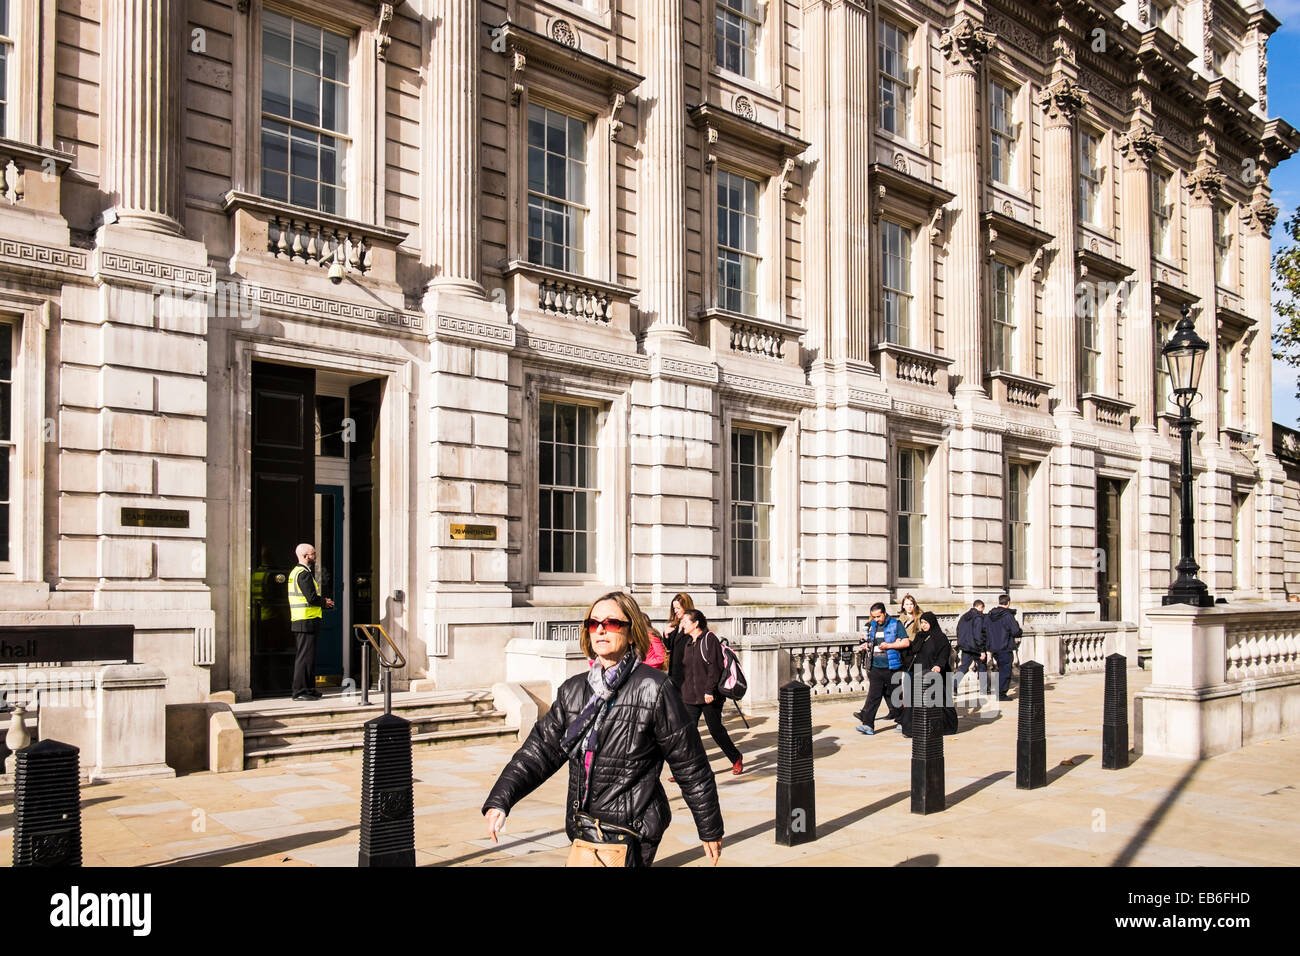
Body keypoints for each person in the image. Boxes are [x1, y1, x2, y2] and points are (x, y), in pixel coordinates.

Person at [482, 591, 723, 867]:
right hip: (584, 826)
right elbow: (540, 750)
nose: (600, 630)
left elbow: (690, 764)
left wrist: (709, 827)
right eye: (593, 624)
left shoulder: (654, 688)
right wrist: (502, 798)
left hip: (631, 828)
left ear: (632, 632)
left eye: (611, 623)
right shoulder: (573, 690)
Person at [679, 609, 744, 775]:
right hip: (690, 695)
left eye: (686, 622)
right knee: (688, 732)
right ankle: (689, 769)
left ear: (696, 624)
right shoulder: (688, 643)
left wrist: (709, 691)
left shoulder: (709, 639)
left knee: (716, 730)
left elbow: (714, 668)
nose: (683, 625)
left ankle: (735, 757)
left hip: (709, 695)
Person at [853, 601, 910, 735]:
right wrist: (866, 645)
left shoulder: (896, 624)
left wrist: (889, 646)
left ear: (884, 613)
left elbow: (906, 642)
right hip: (875, 666)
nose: (876, 619)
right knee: (873, 697)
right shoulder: (871, 626)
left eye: (878, 616)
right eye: (874, 617)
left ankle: (902, 721)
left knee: (895, 696)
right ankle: (868, 725)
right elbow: (869, 642)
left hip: (892, 667)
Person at [898, 611, 957, 737]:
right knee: (915, 700)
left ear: (932, 623)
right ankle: (911, 729)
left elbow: (944, 652)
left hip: (935, 673)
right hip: (919, 672)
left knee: (940, 701)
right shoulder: (920, 636)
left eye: (926, 623)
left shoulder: (940, 637)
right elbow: (913, 650)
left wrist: (938, 665)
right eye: (922, 623)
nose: (924, 625)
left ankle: (946, 726)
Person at [288, 543, 334, 701]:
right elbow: (311, 598)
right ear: (306, 556)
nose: (315, 557)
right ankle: (300, 691)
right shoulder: (303, 574)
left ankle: (308, 688)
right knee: (304, 657)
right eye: (313, 554)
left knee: (308, 657)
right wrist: (325, 603)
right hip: (305, 620)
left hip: (304, 620)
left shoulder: (299, 572)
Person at [985, 593, 1023, 701]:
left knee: (999, 669)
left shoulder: (989, 615)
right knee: (1005, 670)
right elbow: (1015, 631)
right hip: (1005, 646)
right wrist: (1020, 631)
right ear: (1008, 603)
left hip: (993, 647)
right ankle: (1001, 693)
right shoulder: (1007, 616)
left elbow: (985, 630)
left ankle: (997, 690)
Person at [662, 592, 695, 691]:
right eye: (674, 608)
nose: (675, 611)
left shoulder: (693, 625)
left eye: (678, 608)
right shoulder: (676, 625)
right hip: (674, 672)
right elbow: (670, 647)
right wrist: (666, 635)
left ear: (686, 607)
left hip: (687, 672)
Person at [953, 599, 988, 693]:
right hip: (976, 647)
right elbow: (978, 634)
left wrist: (961, 643)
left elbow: (958, 630)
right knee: (982, 666)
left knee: (964, 667)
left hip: (965, 647)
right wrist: (982, 650)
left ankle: (953, 685)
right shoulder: (978, 617)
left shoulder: (964, 616)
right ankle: (984, 688)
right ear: (981, 607)